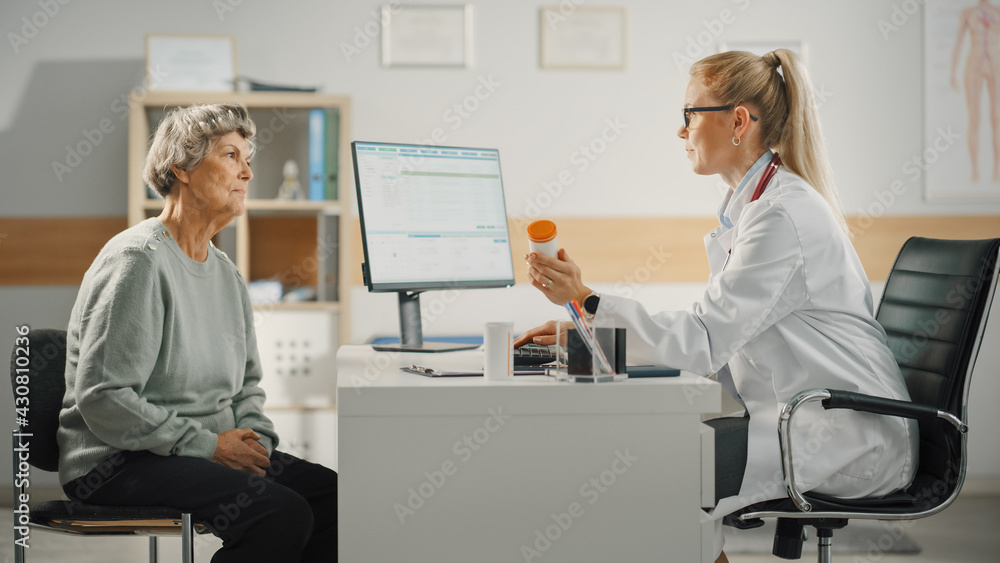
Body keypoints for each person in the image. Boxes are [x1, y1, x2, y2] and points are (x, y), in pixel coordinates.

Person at [514, 50, 919, 563]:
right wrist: (591, 332)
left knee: (655, 474)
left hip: (848, 437)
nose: (680, 132)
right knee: (651, 458)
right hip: (811, 421)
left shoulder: (781, 216)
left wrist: (585, 298)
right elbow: (717, 344)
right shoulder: (757, 210)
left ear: (739, 121)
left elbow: (704, 343)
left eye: (689, 114)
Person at [57, 104, 337, 563]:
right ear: (181, 168)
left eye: (248, 159)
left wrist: (257, 443)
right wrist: (207, 446)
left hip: (198, 451)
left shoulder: (226, 273)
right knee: (278, 513)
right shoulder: (138, 260)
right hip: (118, 460)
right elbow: (105, 396)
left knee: (332, 498)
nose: (246, 172)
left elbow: (247, 385)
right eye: (230, 155)